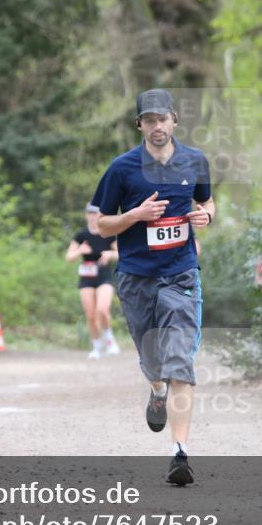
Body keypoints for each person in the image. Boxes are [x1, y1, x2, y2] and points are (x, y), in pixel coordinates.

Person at [93, 89, 215, 486]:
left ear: (174, 120)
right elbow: (101, 224)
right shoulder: (122, 168)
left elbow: (208, 202)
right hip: (136, 277)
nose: (157, 126)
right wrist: (135, 215)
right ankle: (156, 389)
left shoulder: (194, 161)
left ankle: (180, 453)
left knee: (180, 358)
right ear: (140, 125)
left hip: (180, 274)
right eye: (149, 120)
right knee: (152, 359)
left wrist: (205, 217)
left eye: (163, 118)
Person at [66, 204, 120, 359]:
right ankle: (97, 346)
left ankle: (109, 339)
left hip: (104, 275)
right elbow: (69, 257)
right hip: (87, 276)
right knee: (90, 314)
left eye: (95, 213)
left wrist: (110, 254)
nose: (92, 216)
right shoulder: (81, 235)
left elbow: (122, 253)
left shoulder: (108, 234)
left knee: (102, 310)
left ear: (100, 215)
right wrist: (79, 251)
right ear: (86, 215)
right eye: (90, 213)